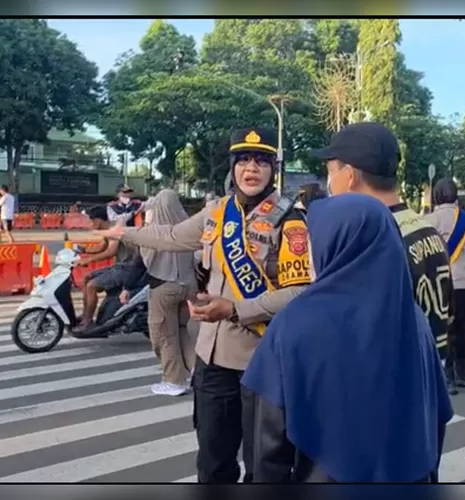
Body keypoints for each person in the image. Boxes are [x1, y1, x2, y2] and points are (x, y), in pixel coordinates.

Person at [94, 127, 312, 484]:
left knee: (264, 469)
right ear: (233, 166)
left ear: (274, 169)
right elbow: (172, 236)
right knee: (213, 464)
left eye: (261, 161)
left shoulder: (290, 219)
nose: (251, 168)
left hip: (264, 361)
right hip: (212, 361)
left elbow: (300, 291)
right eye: (243, 160)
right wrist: (122, 233)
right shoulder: (218, 212)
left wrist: (235, 309)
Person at [241, 194, 453, 483]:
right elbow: (435, 419)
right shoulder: (412, 317)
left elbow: (270, 449)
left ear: (335, 244)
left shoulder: (293, 324)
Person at [312, 122, 453, 364]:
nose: (330, 182)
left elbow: (356, 330)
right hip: (431, 370)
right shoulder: (426, 229)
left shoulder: (372, 240)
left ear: (349, 176)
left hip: (393, 375)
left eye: (331, 172)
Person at [121, 189, 200, 397]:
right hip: (189, 287)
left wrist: (127, 287)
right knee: (183, 332)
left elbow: (140, 263)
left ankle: (174, 381)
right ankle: (197, 373)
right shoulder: (188, 228)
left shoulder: (155, 233)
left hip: (164, 288)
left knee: (165, 335)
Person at [425, 178, 465, 392]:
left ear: (436, 196)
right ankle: (462, 373)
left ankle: (447, 377)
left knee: (444, 329)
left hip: (440, 283)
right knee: (461, 326)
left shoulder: (427, 222)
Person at [74, 205, 140, 334]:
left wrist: (89, 260)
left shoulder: (115, 230)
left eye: (91, 221)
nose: (90, 224)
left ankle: (88, 322)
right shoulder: (107, 231)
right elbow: (102, 247)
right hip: (119, 266)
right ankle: (85, 315)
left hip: (127, 268)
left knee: (92, 286)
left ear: (98, 220)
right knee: (87, 278)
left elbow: (111, 251)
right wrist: (84, 250)